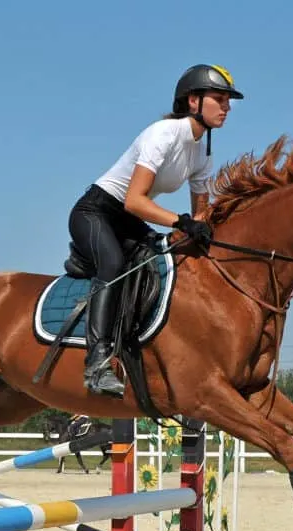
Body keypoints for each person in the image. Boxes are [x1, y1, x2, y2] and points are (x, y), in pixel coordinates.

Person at [68, 64, 244, 397]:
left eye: (228, 101)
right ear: (193, 101)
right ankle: (97, 361)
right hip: (95, 213)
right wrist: (180, 222)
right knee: (113, 266)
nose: (226, 108)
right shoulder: (164, 134)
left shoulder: (202, 150)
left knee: (165, 260)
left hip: (125, 220)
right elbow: (134, 201)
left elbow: (200, 215)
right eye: (219, 99)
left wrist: (207, 230)